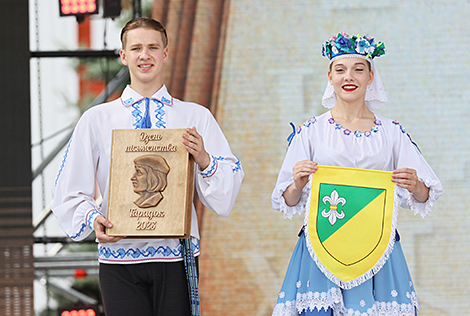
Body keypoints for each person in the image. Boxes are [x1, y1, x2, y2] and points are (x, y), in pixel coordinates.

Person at [52, 17, 244, 316]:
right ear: (124, 55)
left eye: (153, 47)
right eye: (137, 48)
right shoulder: (97, 119)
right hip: (119, 259)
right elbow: (69, 190)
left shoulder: (195, 116)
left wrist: (204, 159)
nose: (145, 55)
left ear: (165, 53)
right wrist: (93, 219)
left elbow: (225, 192)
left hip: (175, 258)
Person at [271, 31, 444, 316]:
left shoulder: (391, 132)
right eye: (340, 70)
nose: (348, 77)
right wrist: (298, 182)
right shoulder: (312, 131)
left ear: (371, 77)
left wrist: (415, 185)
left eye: (358, 69)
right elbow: (288, 200)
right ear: (330, 77)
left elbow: (425, 195)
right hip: (323, 246)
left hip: (375, 246)